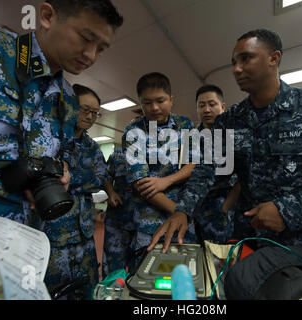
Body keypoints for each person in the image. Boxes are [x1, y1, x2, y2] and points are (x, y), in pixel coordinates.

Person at [149, 29, 302, 268]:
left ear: (273, 58)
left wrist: (288, 210)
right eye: (234, 62)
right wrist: (183, 211)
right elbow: (206, 170)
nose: (236, 69)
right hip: (249, 242)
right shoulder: (228, 121)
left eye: (246, 59)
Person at [0, 0, 123, 233]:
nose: (91, 55)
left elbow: (57, 153)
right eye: (86, 38)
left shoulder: (68, 99)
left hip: (23, 238)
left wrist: (60, 170)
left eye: (101, 49)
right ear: (46, 16)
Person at [123, 72, 198, 271]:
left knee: (186, 277)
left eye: (160, 100)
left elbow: (195, 164)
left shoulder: (186, 125)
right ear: (140, 103)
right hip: (151, 223)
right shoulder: (133, 132)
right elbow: (142, 184)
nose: (154, 107)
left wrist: (168, 181)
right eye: (147, 102)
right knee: (147, 279)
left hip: (183, 220)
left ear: (171, 100)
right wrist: (179, 212)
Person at [41, 84, 109, 299]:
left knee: (88, 289)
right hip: (54, 234)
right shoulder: (51, 138)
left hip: (84, 233)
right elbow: (47, 176)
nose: (89, 117)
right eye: (84, 109)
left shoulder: (91, 146)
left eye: (94, 113)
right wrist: (76, 178)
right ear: (70, 106)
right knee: (52, 292)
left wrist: (70, 179)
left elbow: (101, 178)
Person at [193, 84, 240, 243]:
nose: (206, 109)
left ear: (223, 107)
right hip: (194, 210)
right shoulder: (190, 138)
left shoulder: (234, 135)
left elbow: (244, 176)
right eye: (201, 105)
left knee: (223, 260)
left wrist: (224, 208)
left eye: (212, 104)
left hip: (226, 209)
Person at [102, 147, 135, 274]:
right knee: (112, 267)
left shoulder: (155, 155)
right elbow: (104, 176)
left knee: (139, 268)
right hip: (117, 220)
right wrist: (110, 192)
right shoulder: (118, 155)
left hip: (142, 223)